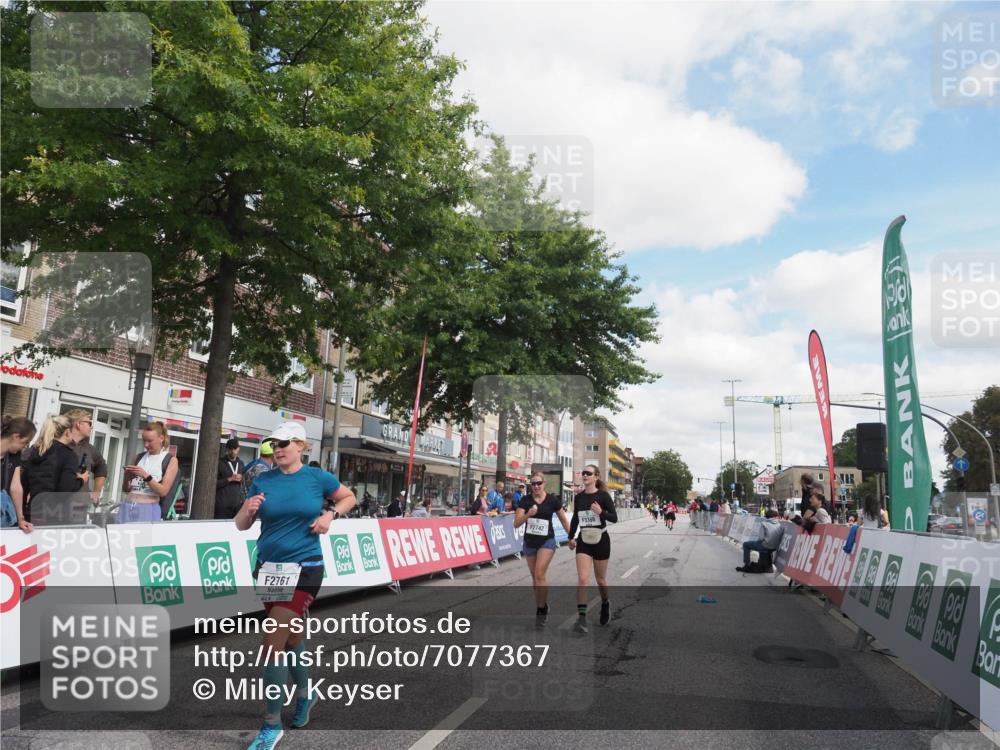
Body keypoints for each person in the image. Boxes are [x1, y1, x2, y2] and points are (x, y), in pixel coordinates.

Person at [236, 420, 356, 748]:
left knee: (272, 642)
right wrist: (248, 510)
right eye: (274, 444)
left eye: (284, 444)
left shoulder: (317, 478)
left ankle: (271, 724)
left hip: (306, 568)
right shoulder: (263, 480)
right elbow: (241, 525)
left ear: (301, 446)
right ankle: (306, 695)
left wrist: (331, 515)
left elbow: (349, 497)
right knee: (290, 640)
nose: (278, 449)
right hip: (269, 568)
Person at [514, 471, 571, 628]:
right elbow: (516, 523)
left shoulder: (552, 500)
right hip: (530, 542)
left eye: (539, 483)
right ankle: (543, 605)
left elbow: (564, 520)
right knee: (535, 580)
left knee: (540, 574)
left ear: (544, 483)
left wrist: (572, 537)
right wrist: (528, 514)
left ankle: (540, 611)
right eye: (533, 484)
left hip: (547, 541)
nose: (536, 486)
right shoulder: (525, 501)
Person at [568, 464, 618, 633]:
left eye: (588, 473)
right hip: (584, 540)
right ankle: (581, 620)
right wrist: (570, 537)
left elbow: (614, 518)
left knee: (601, 580)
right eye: (583, 473)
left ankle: (605, 603)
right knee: (582, 578)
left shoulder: (603, 496)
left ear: (596, 477)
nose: (585, 475)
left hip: (601, 540)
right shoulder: (579, 497)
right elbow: (575, 517)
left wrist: (600, 511)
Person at [20, 415, 88, 526]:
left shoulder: (36, 452)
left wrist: (21, 516)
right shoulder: (68, 455)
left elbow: (23, 486)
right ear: (67, 432)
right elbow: (65, 488)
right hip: (56, 516)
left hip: (33, 513)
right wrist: (81, 480)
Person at [121, 422, 179, 523]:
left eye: (150, 441)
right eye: (144, 440)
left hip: (148, 508)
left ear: (161, 438)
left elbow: (163, 491)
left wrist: (146, 476)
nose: (146, 445)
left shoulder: (170, 460)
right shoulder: (138, 457)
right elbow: (126, 489)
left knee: (144, 538)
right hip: (128, 506)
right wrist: (127, 477)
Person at [65, 409, 107, 506]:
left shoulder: (89, 449)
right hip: (58, 505)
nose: (91, 427)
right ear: (78, 424)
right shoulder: (58, 445)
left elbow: (102, 467)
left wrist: (96, 493)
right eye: (89, 423)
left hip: (80, 506)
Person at [1, 416, 36, 531]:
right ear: (16, 436)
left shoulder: (14, 455)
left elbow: (16, 487)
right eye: (25, 442)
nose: (26, 446)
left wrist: (21, 519)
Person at [216, 438, 246, 520]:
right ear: (227, 449)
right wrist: (229, 479)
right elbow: (213, 484)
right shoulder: (220, 463)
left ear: (238, 449)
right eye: (230, 449)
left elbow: (244, 482)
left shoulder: (241, 463)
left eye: (235, 448)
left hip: (237, 505)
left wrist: (241, 479)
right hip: (222, 506)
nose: (233, 451)